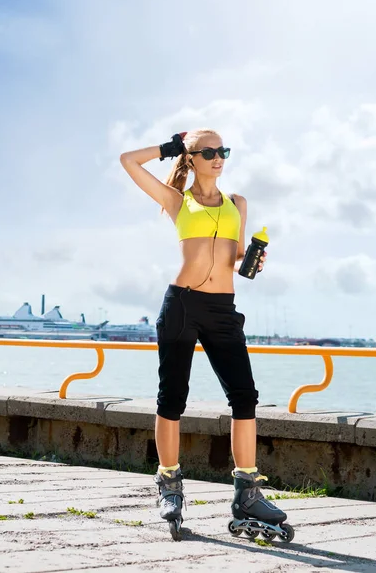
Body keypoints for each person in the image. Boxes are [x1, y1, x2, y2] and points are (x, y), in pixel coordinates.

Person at [119, 129, 288, 536]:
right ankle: (169, 484)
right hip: (182, 304)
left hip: (221, 309)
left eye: (223, 151)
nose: (218, 157)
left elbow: (232, 261)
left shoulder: (237, 204)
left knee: (244, 395)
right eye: (209, 151)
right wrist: (168, 148)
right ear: (192, 157)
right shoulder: (178, 201)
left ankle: (248, 489)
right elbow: (128, 161)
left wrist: (250, 261)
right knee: (172, 397)